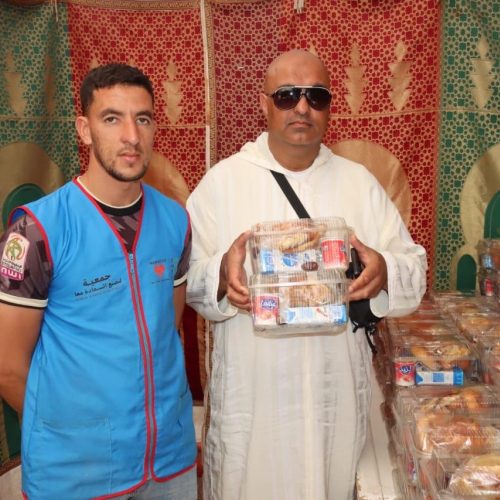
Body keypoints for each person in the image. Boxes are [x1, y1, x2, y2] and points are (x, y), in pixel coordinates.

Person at [186, 50, 427, 500]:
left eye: (316, 96)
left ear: (330, 106)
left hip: (333, 397)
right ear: (264, 104)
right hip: (253, 399)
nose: (302, 107)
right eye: (287, 95)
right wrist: (221, 275)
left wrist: (383, 269)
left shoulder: (359, 183)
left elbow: (413, 268)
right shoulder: (222, 183)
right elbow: (189, 281)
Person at [0, 63, 197, 500]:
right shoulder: (37, 230)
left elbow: (168, 327)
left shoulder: (176, 220)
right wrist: (67, 431)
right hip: (75, 473)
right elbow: (8, 366)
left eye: (142, 118)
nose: (131, 136)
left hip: (168, 461)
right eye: (112, 118)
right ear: (84, 130)